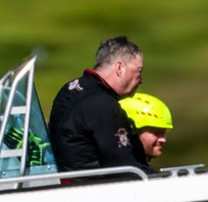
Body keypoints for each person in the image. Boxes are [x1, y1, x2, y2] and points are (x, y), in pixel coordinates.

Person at [48, 37, 147, 173]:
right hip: (90, 183)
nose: (141, 80)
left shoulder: (71, 88)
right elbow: (124, 167)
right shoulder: (101, 104)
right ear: (120, 67)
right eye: (139, 71)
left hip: (68, 178)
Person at [119, 93, 173, 169]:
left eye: (164, 132)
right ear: (131, 131)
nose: (163, 139)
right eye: (156, 132)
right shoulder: (123, 170)